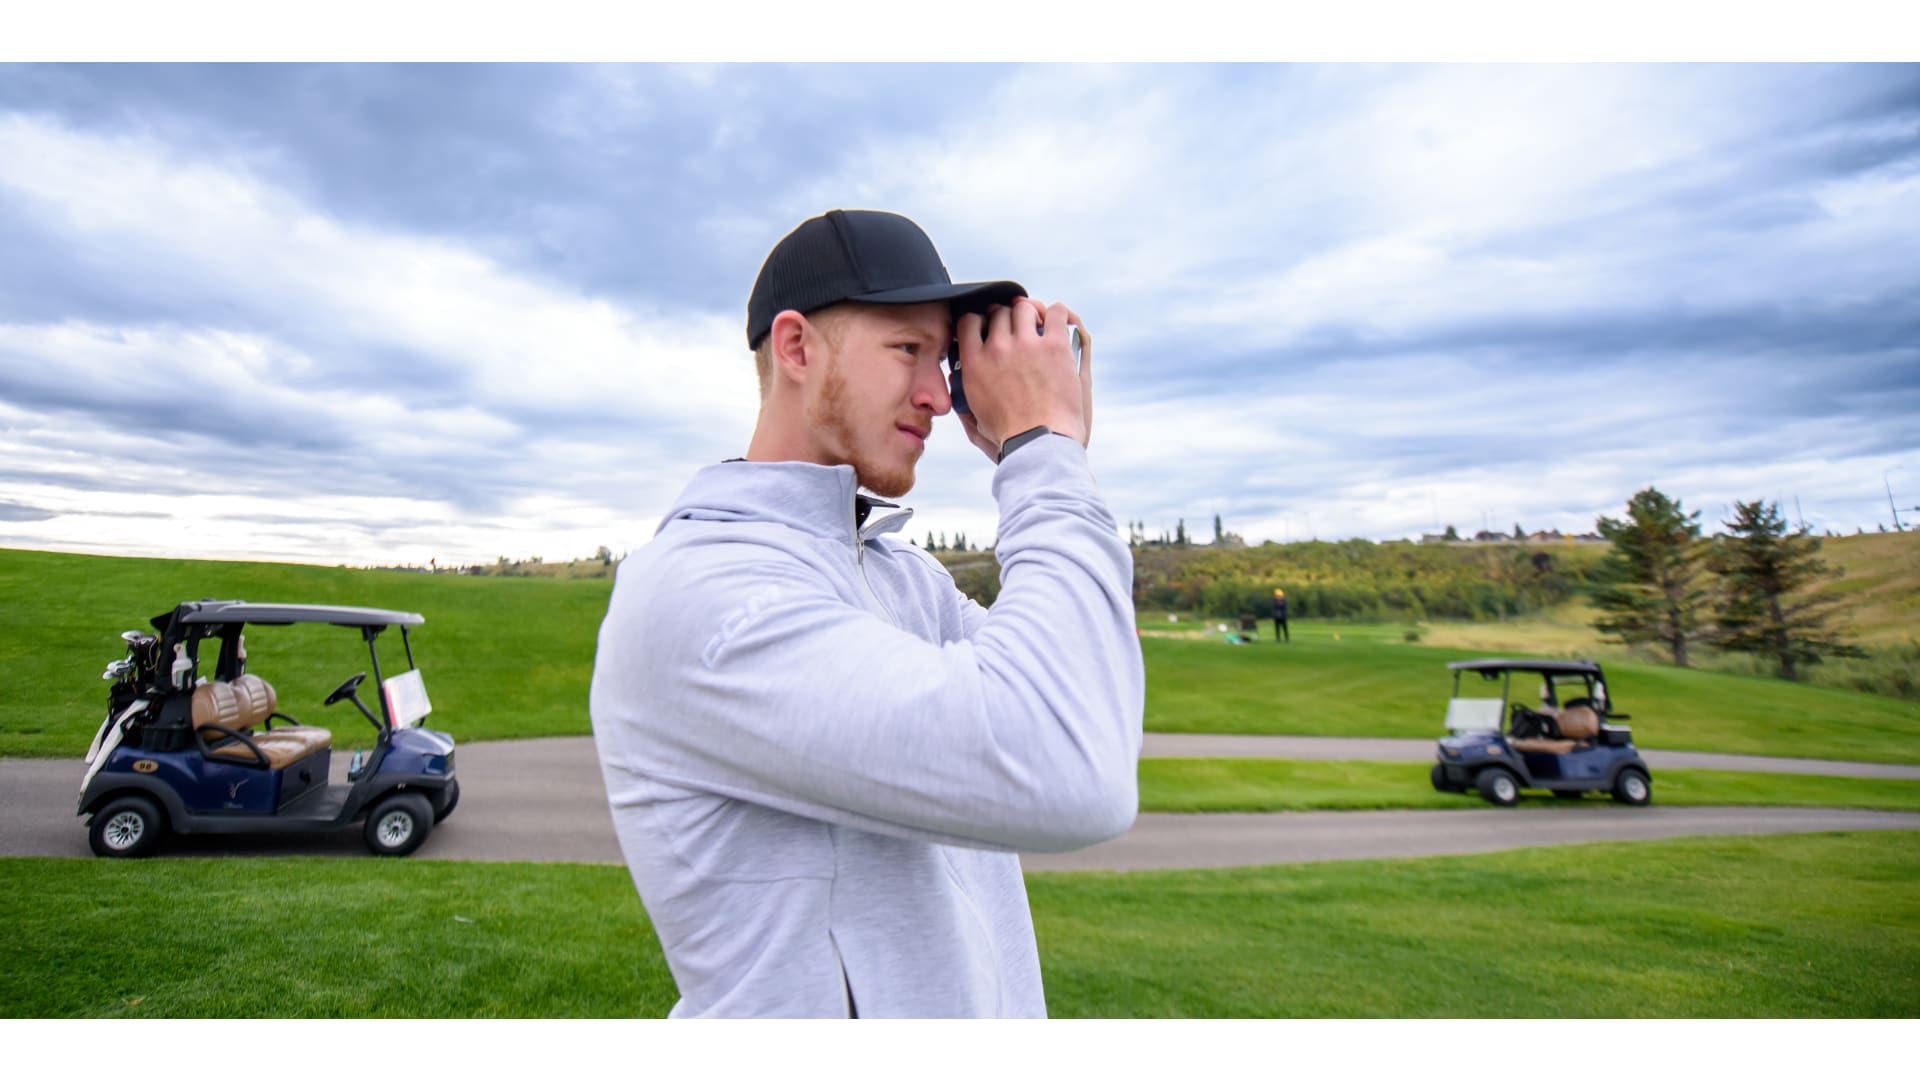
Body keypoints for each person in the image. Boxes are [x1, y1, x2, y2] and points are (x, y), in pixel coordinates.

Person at [588, 209, 1143, 1018]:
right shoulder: (704, 596)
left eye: (944, 360)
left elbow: (1088, 701)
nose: (938, 398)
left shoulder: (907, 580)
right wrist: (1042, 452)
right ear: (796, 348)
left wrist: (1047, 448)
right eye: (908, 349)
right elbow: (1072, 773)